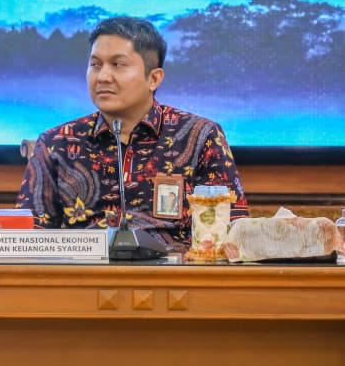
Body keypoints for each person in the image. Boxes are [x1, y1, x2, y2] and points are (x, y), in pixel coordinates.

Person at [16, 16, 248, 246]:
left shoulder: (201, 136)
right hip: (83, 267)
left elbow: (233, 233)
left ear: (154, 78)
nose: (103, 77)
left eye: (117, 64)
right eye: (95, 64)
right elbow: (27, 239)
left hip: (176, 267)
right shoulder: (57, 143)